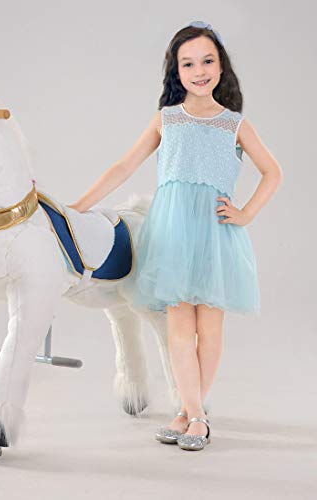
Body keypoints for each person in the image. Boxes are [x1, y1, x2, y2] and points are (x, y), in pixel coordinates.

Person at [68, 21, 284, 451]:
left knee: (210, 328)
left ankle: (191, 414)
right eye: (188, 64)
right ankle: (194, 414)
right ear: (176, 71)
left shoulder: (235, 124)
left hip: (215, 236)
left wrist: (245, 213)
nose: (199, 71)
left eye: (207, 61)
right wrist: (76, 208)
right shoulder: (167, 119)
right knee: (179, 327)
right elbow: (123, 167)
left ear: (221, 67)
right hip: (172, 236)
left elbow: (273, 172)